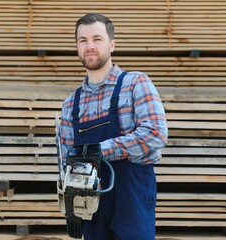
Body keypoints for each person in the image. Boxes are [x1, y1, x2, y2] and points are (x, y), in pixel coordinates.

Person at [60, 13, 168, 240]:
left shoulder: (136, 84)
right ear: (77, 47)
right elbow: (66, 161)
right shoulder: (71, 104)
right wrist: (70, 207)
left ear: (112, 44)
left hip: (132, 194)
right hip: (89, 198)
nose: (90, 46)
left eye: (97, 39)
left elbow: (156, 133)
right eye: (83, 40)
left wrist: (101, 150)